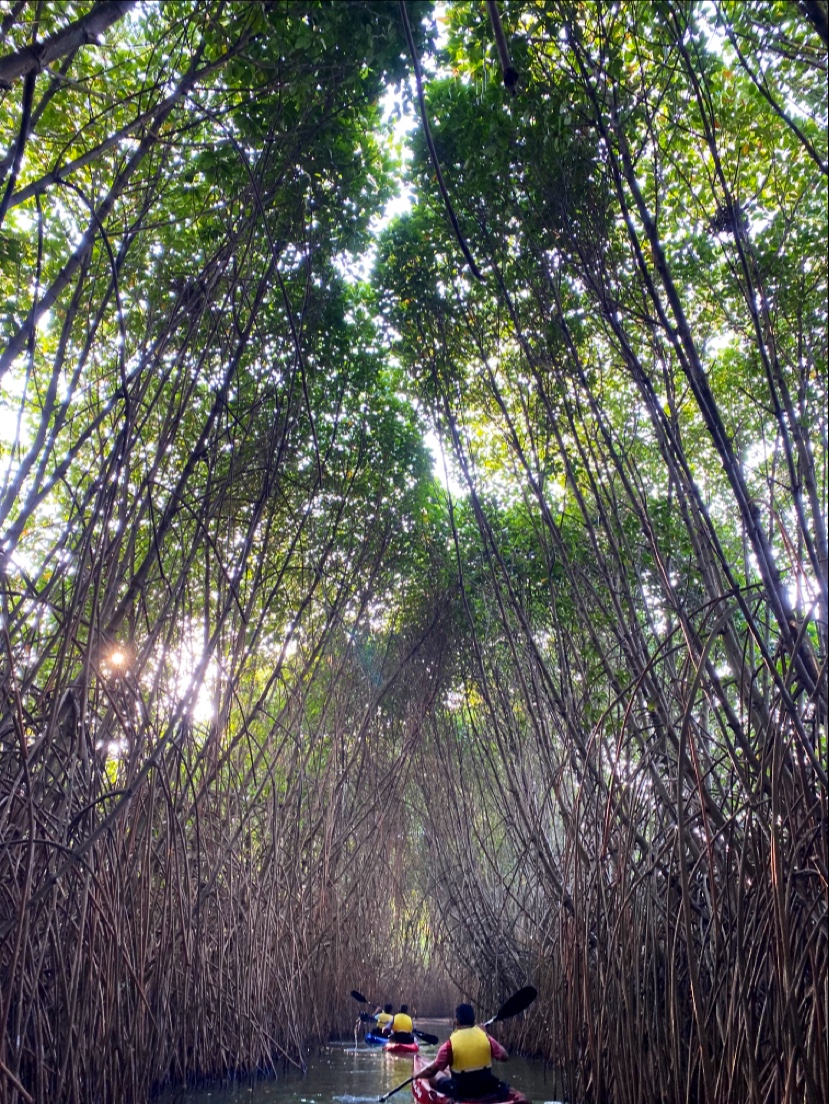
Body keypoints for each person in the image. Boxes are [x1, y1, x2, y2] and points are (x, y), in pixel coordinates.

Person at [413, 1003, 509, 1099]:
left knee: (436, 1074)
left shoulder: (449, 1045)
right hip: (485, 1089)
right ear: (473, 1021)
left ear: (457, 1022)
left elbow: (430, 1071)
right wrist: (485, 1034)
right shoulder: (486, 1038)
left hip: (461, 1093)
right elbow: (504, 1056)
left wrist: (416, 1075)